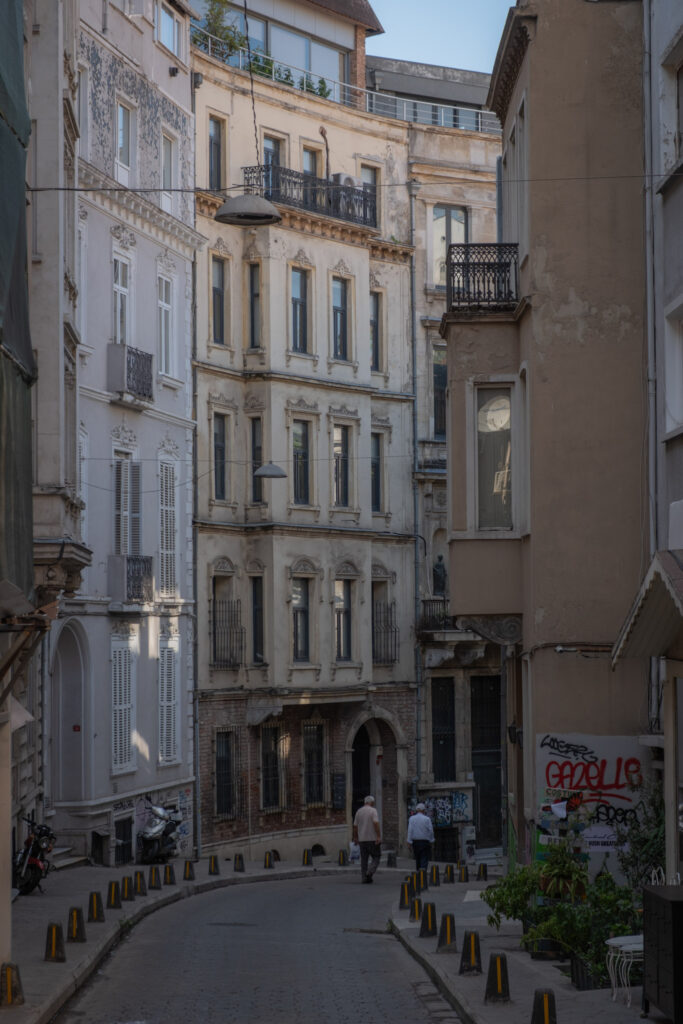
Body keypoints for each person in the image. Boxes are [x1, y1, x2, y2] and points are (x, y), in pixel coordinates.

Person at [352, 795, 381, 884]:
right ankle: (370, 871)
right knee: (376, 856)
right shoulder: (373, 811)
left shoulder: (359, 811)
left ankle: (364, 877)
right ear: (371, 803)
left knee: (364, 859)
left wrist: (356, 837)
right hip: (372, 839)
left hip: (362, 839)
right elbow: (376, 823)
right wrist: (378, 836)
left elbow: (355, 826)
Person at [407, 802, 434, 872]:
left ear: (416, 810)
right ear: (424, 810)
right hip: (425, 842)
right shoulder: (427, 819)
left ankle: (418, 873)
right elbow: (430, 831)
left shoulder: (412, 819)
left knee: (417, 858)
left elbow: (410, 830)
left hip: (415, 842)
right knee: (424, 858)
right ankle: (423, 874)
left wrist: (409, 842)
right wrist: (431, 840)